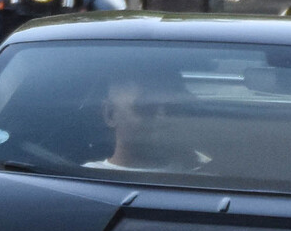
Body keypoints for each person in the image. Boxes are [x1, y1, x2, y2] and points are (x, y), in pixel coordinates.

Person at [80, 70, 211, 173]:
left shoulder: (207, 180)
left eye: (173, 108)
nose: (163, 117)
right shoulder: (80, 183)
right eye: (147, 107)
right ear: (110, 114)